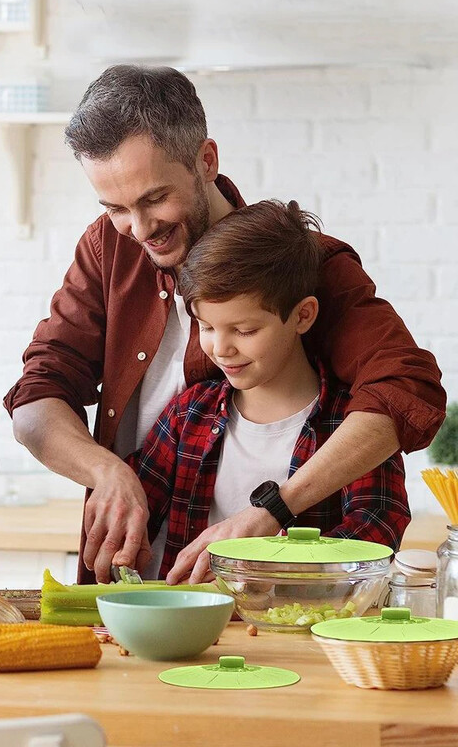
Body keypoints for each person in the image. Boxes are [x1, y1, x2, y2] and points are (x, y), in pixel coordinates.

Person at [4, 65, 445, 584]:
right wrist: (106, 472)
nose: (139, 229)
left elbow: (405, 388)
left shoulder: (302, 265)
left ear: (206, 160)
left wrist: (274, 512)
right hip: (144, 589)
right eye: (115, 207)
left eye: (153, 199)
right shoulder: (109, 247)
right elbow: (36, 398)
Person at [129, 199, 410, 582]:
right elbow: (135, 514)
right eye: (207, 327)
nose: (221, 349)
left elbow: (375, 536)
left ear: (303, 315)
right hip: (190, 633)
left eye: (244, 331)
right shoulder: (187, 414)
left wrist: (261, 569)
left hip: (301, 634)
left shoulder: (352, 426)